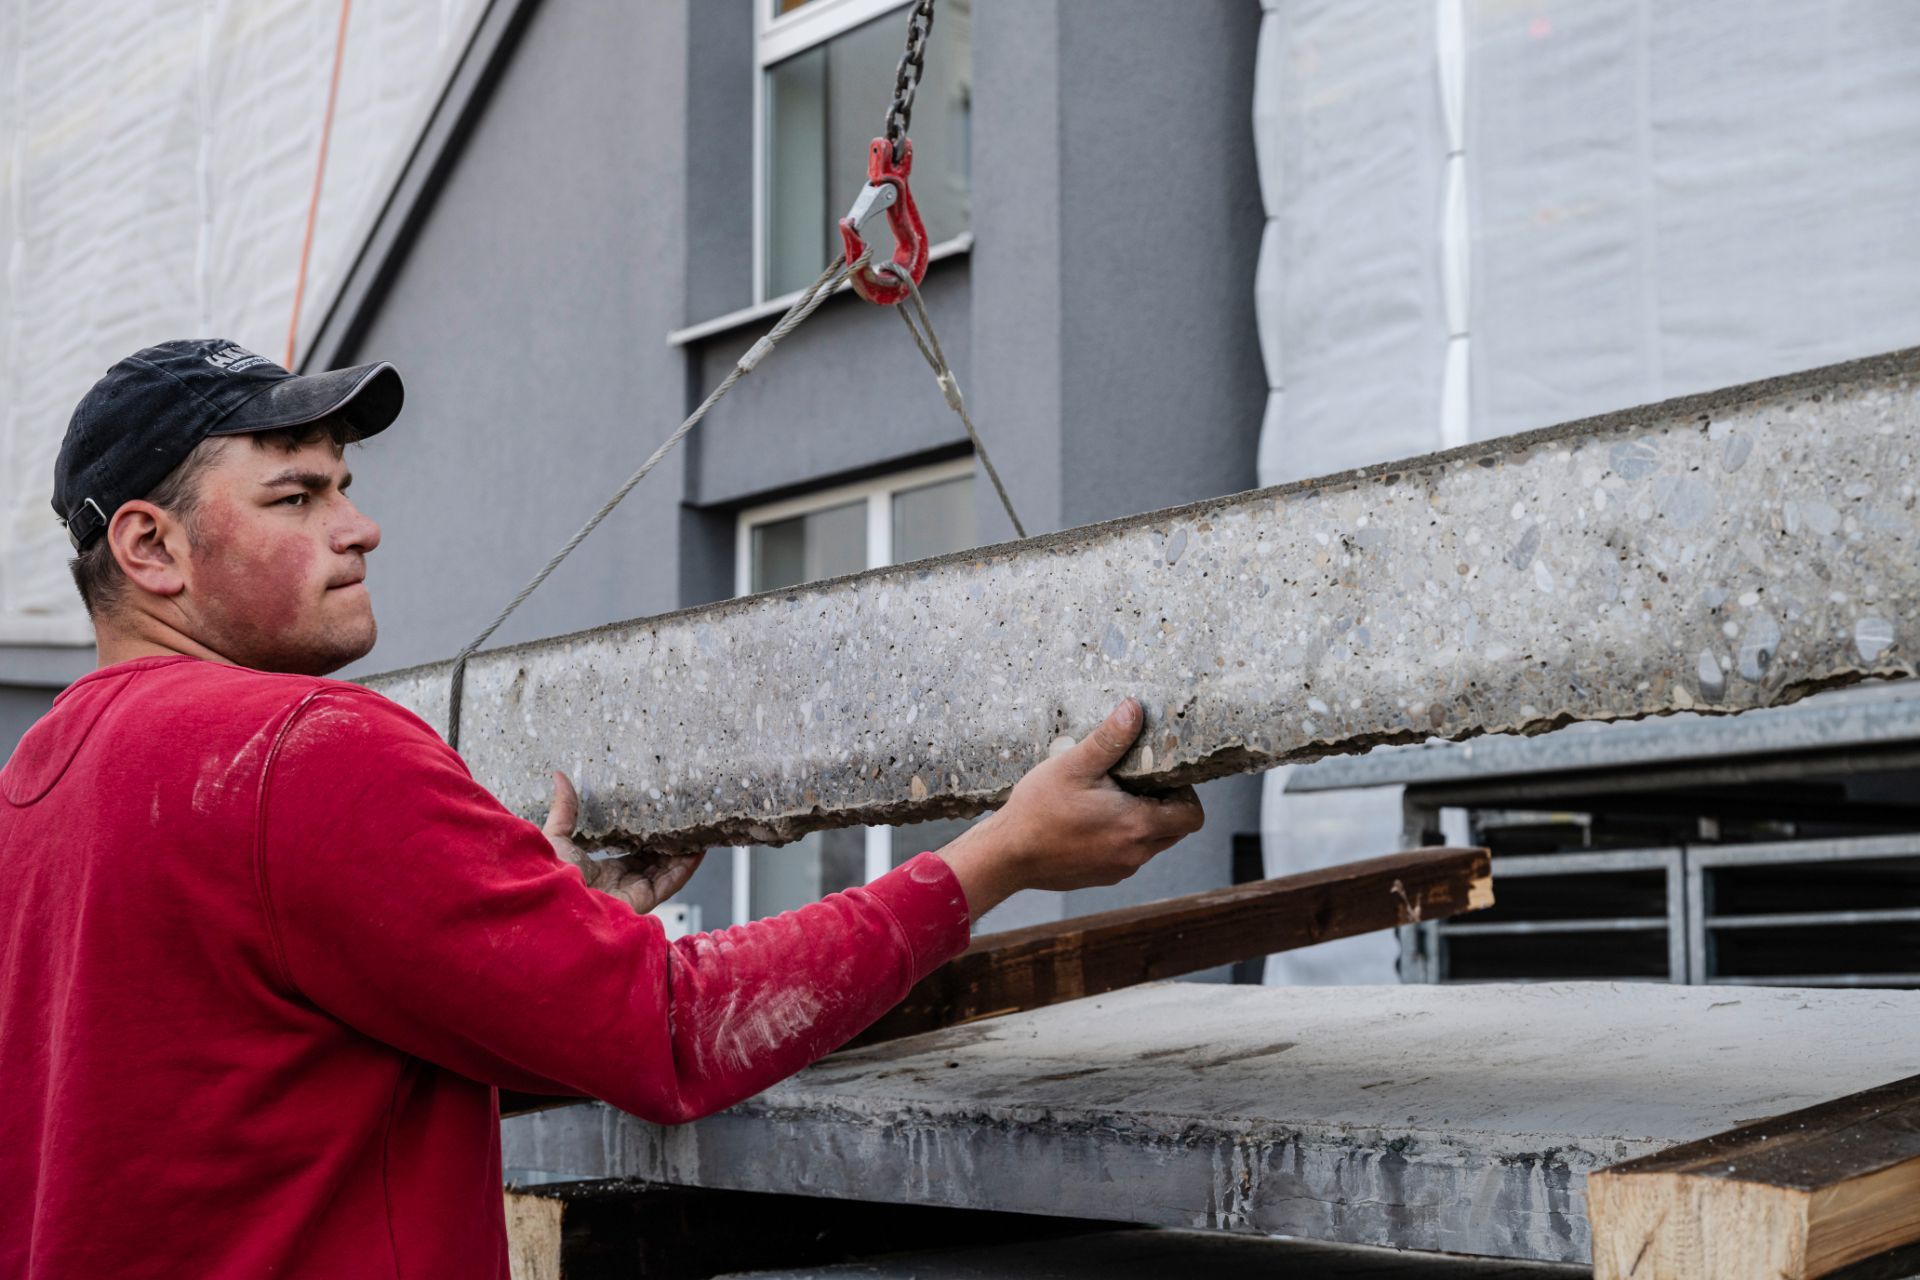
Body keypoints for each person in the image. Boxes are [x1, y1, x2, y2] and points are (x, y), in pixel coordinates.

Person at [0, 340, 1205, 1278]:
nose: (358, 526)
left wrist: (523, 940)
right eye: (296, 496)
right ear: (151, 547)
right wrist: (999, 855)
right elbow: (673, 1033)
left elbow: (224, 1092)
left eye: (346, 488)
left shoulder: (31, 789)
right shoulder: (304, 750)